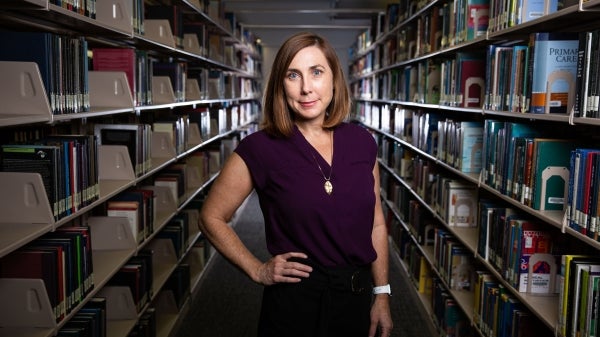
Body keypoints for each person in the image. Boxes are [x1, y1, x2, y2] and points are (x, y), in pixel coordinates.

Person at [198, 31, 393, 337]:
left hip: (355, 297)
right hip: (293, 302)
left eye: (316, 72)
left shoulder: (362, 143)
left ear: (334, 79)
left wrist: (382, 293)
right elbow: (210, 216)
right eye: (293, 75)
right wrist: (257, 269)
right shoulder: (260, 148)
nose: (306, 88)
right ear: (281, 84)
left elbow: (377, 225)